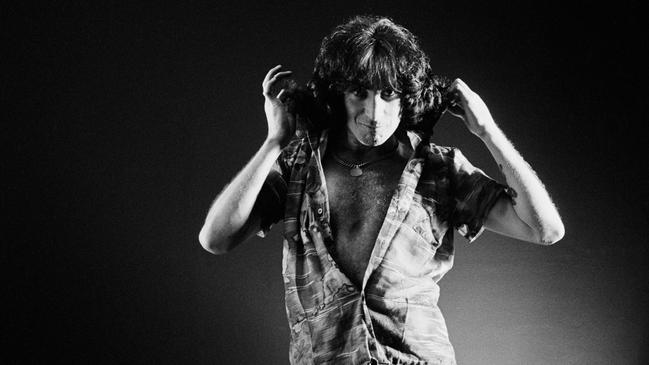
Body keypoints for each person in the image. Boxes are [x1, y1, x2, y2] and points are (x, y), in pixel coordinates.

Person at [199, 15, 564, 365]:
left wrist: (487, 131)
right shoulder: (300, 165)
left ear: (406, 97)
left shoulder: (439, 169)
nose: (374, 112)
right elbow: (216, 238)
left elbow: (544, 230)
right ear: (338, 94)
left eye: (388, 93)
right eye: (359, 92)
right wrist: (274, 143)